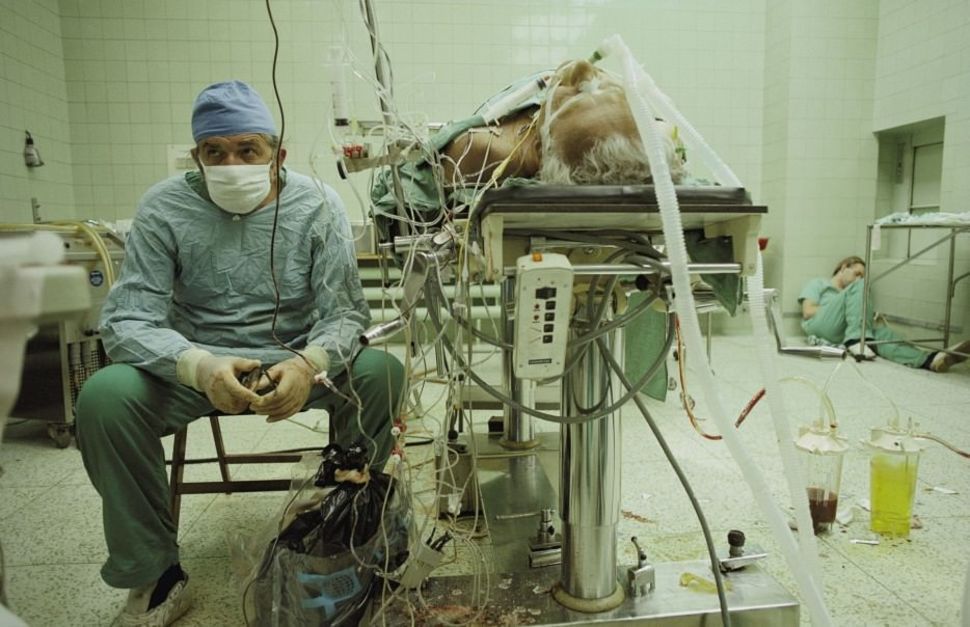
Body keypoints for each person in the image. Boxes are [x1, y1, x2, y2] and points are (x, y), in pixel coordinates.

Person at [74, 80, 405, 626]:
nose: (231, 164)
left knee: (380, 372)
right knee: (105, 398)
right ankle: (155, 574)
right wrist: (199, 367)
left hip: (294, 360)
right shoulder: (165, 208)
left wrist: (308, 363)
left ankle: (344, 535)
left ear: (279, 154)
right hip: (192, 364)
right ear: (197, 156)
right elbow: (129, 318)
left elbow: (345, 314)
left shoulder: (317, 204)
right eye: (215, 153)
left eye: (248, 150)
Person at [798, 255, 969, 372]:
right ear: (844, 267)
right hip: (820, 325)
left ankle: (929, 360)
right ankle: (857, 339)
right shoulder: (819, 283)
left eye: (861, 276)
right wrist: (842, 308)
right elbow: (808, 311)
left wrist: (858, 314)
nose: (859, 278)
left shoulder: (854, 291)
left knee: (881, 335)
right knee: (862, 288)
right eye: (857, 273)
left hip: (844, 332)